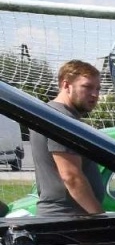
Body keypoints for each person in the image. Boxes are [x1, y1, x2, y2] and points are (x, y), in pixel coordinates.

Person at [31, 59, 108, 217]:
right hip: (67, 219)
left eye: (98, 88)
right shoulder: (61, 120)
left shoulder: (51, 114)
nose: (95, 94)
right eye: (87, 87)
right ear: (66, 85)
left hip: (67, 217)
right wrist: (101, 218)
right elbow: (71, 176)